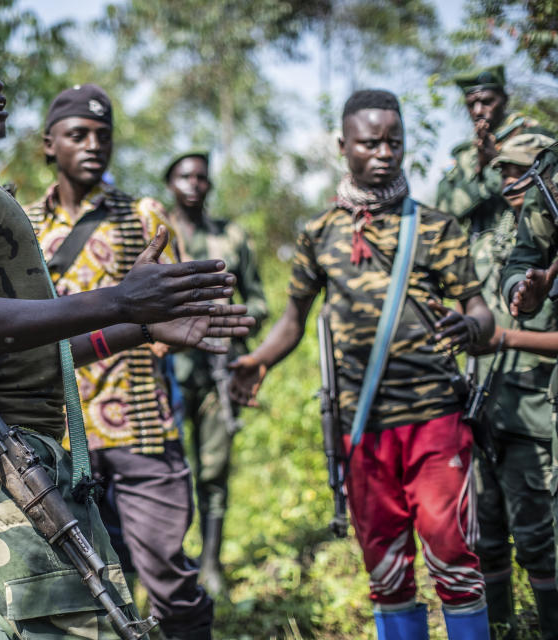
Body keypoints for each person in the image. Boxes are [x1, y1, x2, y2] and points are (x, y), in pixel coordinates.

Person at [0, 29, 252, 639]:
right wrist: (116, 297)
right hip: (0, 453)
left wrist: (132, 326)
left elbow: (19, 350)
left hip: (28, 445)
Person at [229, 89, 495, 639]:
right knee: (386, 570)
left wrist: (472, 328)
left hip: (436, 421)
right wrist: (257, 361)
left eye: (393, 142)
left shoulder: (435, 228)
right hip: (361, 428)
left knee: (455, 561)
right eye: (370, 143)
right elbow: (292, 321)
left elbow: (481, 312)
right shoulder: (319, 233)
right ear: (342, 146)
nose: (384, 153)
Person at [25, 85, 215, 639]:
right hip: (55, 428)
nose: (92, 145)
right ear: (49, 145)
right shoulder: (22, 222)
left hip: (140, 424)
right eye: (77, 135)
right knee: (79, 584)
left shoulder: (144, 214)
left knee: (169, 577)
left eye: (102, 136)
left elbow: (180, 316)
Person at [464, 133, 558, 639]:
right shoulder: (490, 234)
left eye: (519, 170)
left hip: (538, 409)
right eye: (501, 173)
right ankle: (501, 627)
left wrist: (502, 336)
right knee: (488, 533)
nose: (510, 183)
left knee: (540, 539)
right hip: (487, 404)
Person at [163, 151, 268, 594]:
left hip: (218, 374)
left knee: (214, 471)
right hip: (163, 372)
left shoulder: (232, 237)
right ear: (170, 182)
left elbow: (261, 301)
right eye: (184, 176)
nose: (194, 184)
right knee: (163, 473)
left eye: (202, 177)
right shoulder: (153, 234)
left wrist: (234, 319)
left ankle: (210, 565)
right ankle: (166, 567)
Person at [436, 64, 551, 234]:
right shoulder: (466, 154)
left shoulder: (534, 138)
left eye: (487, 101)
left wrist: (495, 162)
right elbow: (445, 213)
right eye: (471, 104)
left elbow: (543, 196)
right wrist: (479, 169)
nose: (478, 111)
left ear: (504, 99)